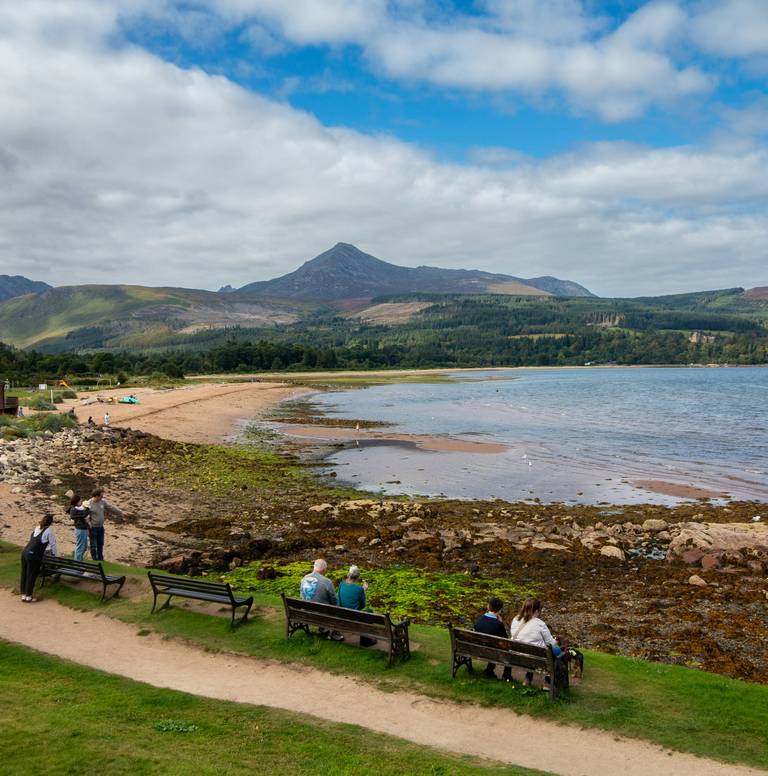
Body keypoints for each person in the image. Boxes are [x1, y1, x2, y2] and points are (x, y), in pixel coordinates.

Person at [509, 598, 563, 685]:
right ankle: (547, 681)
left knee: (533, 648)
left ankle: (528, 679)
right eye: (540, 610)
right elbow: (551, 643)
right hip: (536, 658)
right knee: (556, 650)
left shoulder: (516, 619)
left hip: (517, 655)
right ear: (537, 611)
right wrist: (556, 641)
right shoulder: (540, 624)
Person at [299, 559, 343, 641]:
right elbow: (334, 601)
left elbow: (302, 595)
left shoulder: (304, 578)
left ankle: (323, 629)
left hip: (306, 612)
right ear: (324, 569)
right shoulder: (327, 582)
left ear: (314, 567)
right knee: (337, 607)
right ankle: (333, 632)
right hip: (321, 614)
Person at [19, 514, 57, 602]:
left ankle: (23, 595)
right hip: (33, 556)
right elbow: (53, 544)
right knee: (31, 575)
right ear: (51, 523)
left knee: (24, 574)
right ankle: (28, 596)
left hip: (25, 553)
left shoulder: (37, 528)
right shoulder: (49, 531)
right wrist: (55, 555)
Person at [474, 597, 512, 680]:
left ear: (488, 606)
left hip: (477, 650)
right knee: (507, 649)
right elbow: (505, 641)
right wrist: (501, 623)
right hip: (492, 652)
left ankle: (489, 670)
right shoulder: (498, 624)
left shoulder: (479, 619)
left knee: (492, 645)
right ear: (500, 610)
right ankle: (506, 675)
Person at [84, 488, 123, 561]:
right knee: (93, 545)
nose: (102, 497)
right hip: (92, 528)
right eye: (101, 496)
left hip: (100, 527)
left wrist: (120, 512)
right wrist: (89, 524)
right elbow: (84, 515)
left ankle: (100, 558)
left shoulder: (103, 502)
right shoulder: (88, 504)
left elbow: (111, 508)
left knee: (100, 544)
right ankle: (94, 559)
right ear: (96, 496)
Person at [68, 494, 91, 561]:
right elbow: (84, 514)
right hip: (80, 529)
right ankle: (77, 562)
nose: (81, 502)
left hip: (84, 529)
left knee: (85, 547)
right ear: (76, 501)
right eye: (80, 501)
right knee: (80, 546)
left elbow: (83, 513)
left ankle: (79, 560)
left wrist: (86, 508)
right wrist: (88, 508)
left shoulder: (77, 509)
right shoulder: (73, 509)